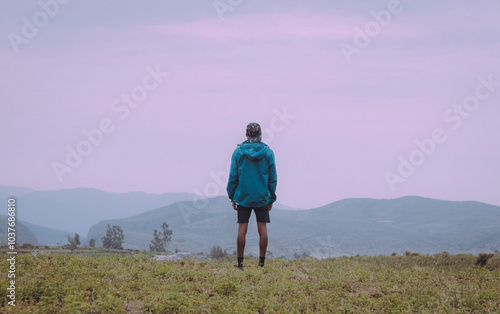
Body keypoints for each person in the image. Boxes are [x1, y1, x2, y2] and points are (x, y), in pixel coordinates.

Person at [227, 122, 277, 269]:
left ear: (247, 135)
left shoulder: (238, 153)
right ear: (260, 134)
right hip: (262, 196)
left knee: (242, 228)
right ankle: (261, 265)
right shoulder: (268, 153)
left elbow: (232, 177)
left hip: (243, 196)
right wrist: (271, 197)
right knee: (262, 228)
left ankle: (240, 265)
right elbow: (272, 178)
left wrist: (232, 196)